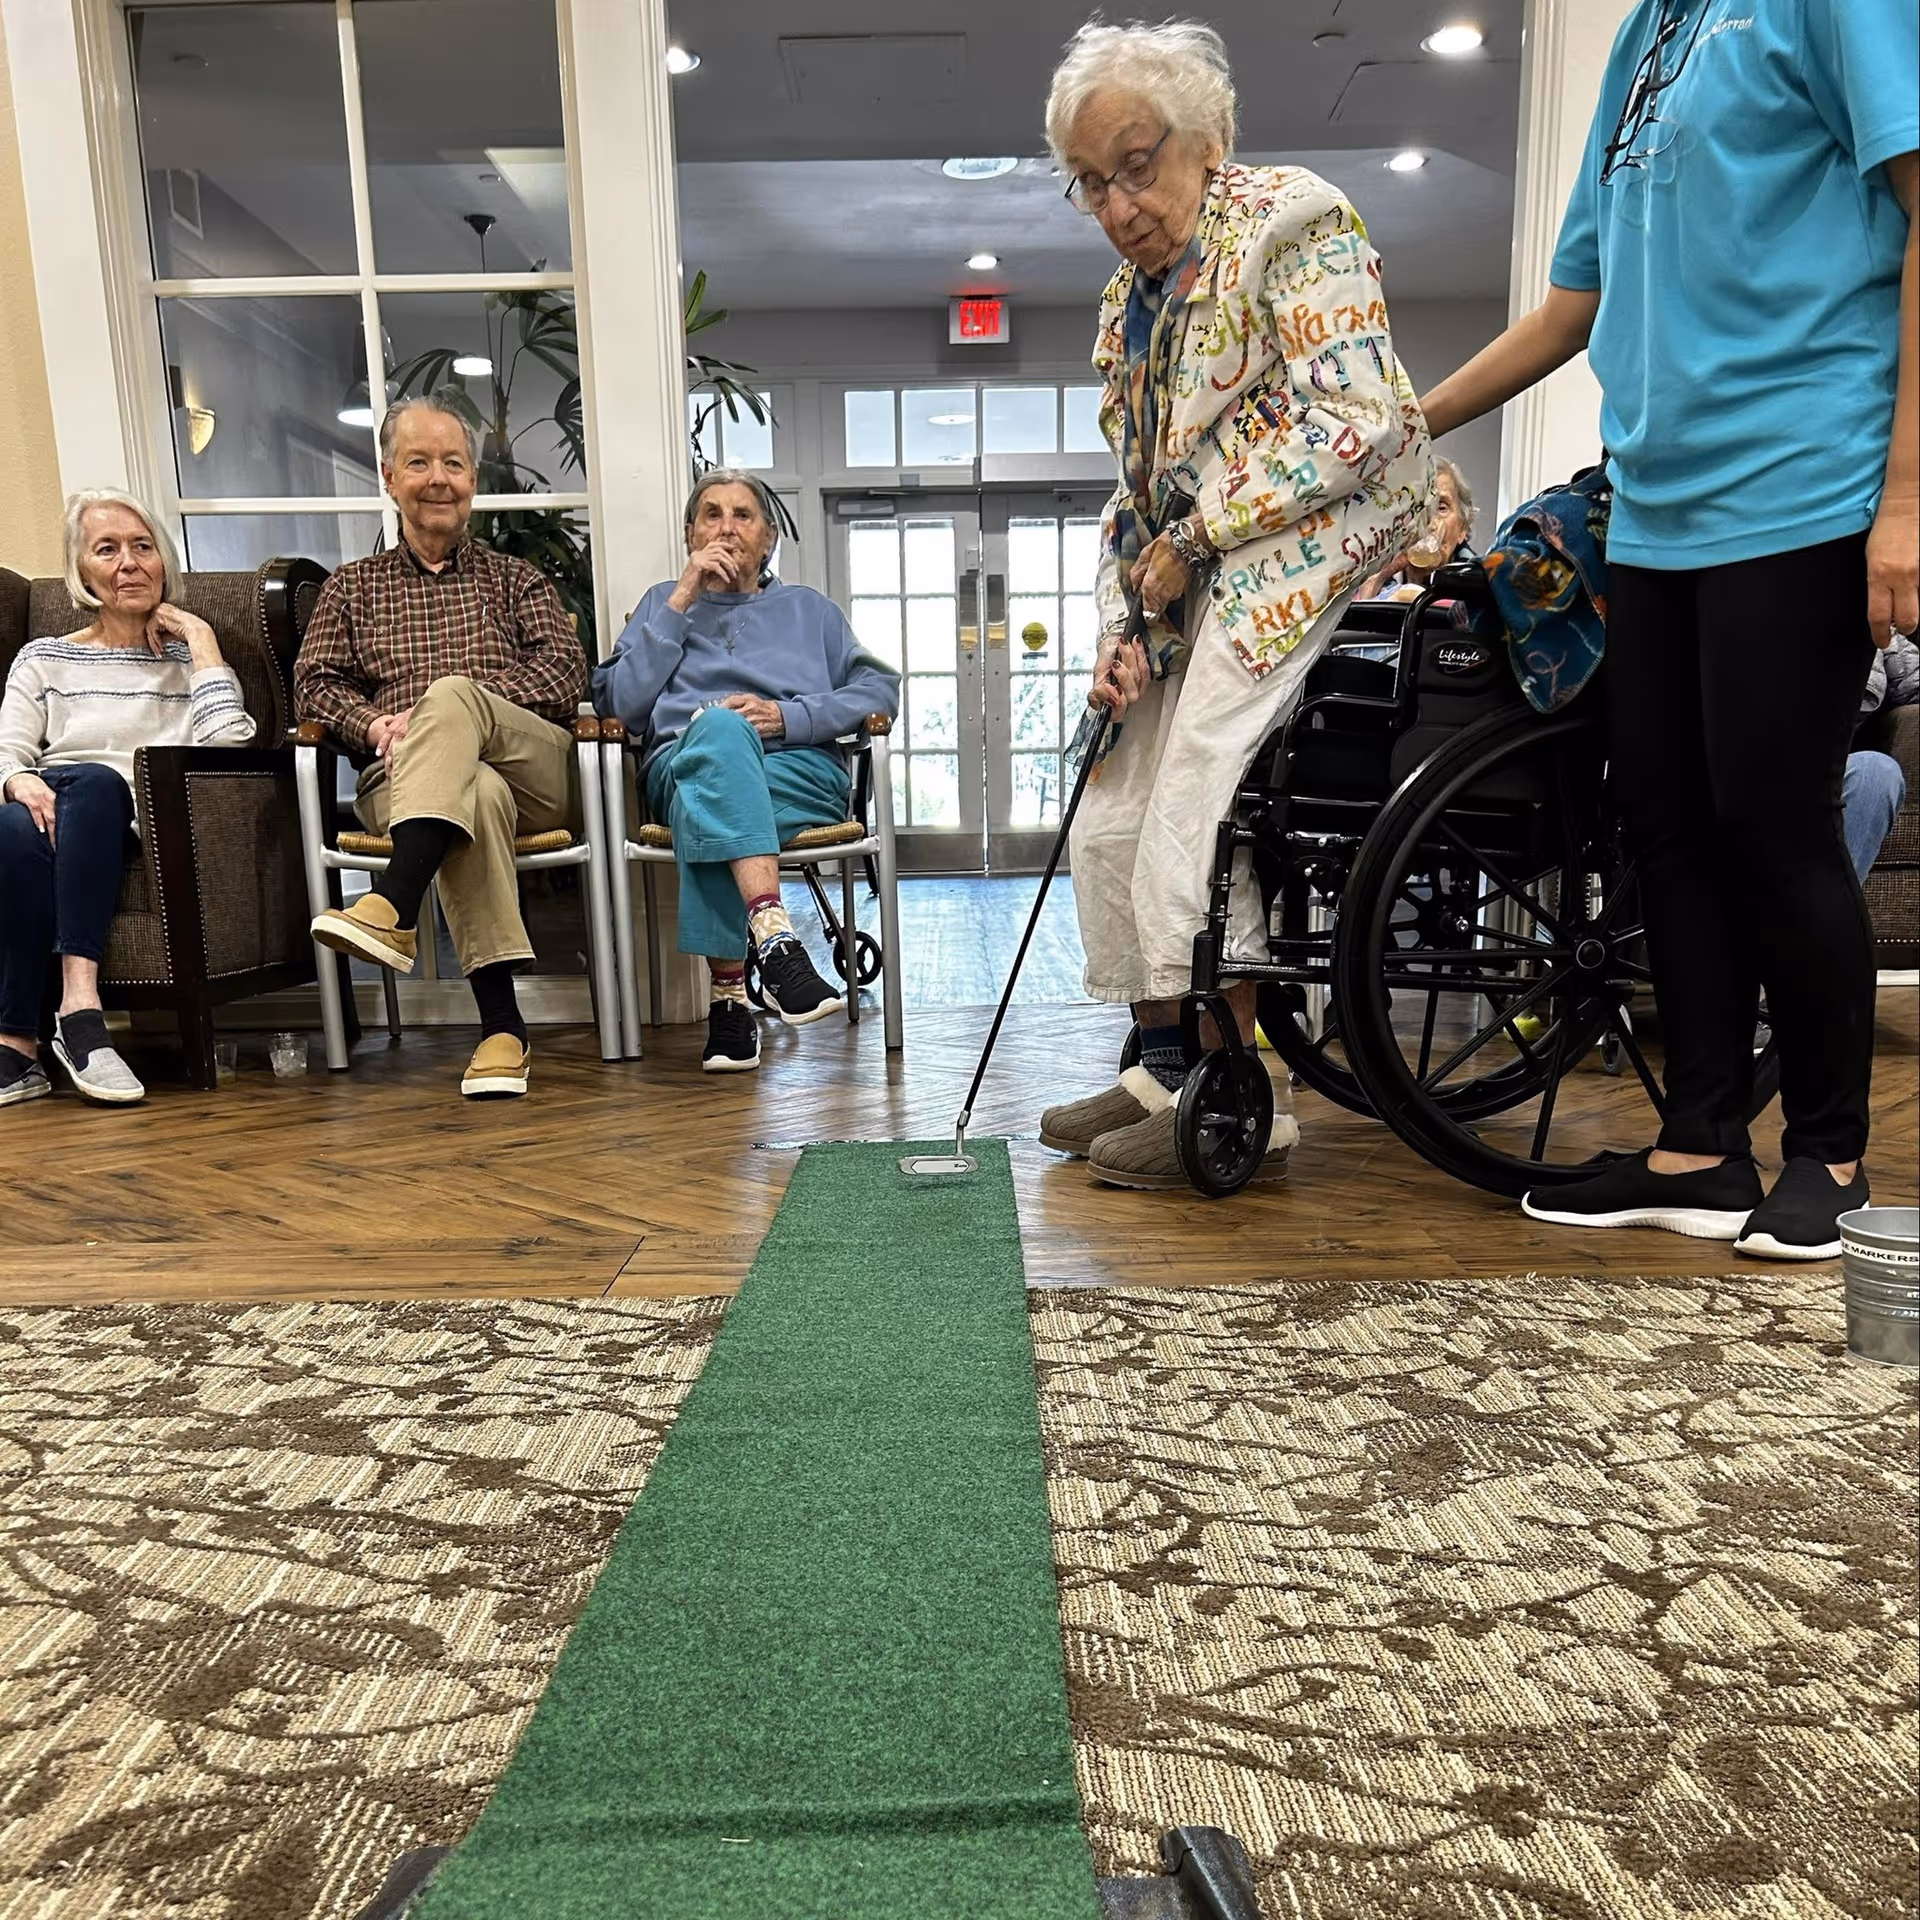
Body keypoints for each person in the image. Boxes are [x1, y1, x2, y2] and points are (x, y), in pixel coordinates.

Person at [1419, 0, 1916, 1260]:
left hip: (1805, 478)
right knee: (1668, 826)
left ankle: (1832, 1155)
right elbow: (1570, 309)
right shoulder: (1649, 35)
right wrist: (1402, 429)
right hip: (1651, 507)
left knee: (1773, 817)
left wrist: (1908, 493)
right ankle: (1698, 1150)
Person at [1033, 18, 1432, 1190]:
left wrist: (1194, 540)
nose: (1118, 203)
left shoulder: (1294, 223)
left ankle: (1247, 1083)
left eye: (1137, 164)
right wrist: (1126, 627)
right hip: (1195, 566)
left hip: (1317, 541)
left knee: (1197, 791)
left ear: (1207, 138)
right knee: (1112, 787)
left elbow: (1354, 418)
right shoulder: (1128, 304)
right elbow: (1139, 493)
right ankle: (1163, 1065)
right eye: (1091, 184)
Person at [295, 397, 588, 1099]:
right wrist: (371, 725)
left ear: (472, 482)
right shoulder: (352, 588)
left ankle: (391, 902)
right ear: (390, 477)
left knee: (453, 700)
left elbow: (562, 672)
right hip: (401, 776)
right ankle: (502, 1030)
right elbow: (313, 687)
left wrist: (450, 711)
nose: (438, 479)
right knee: (471, 792)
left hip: (530, 771)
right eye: (420, 463)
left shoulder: (517, 579)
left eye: (453, 464)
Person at [598, 470, 900, 1073]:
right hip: (684, 764)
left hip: (796, 772)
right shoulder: (663, 604)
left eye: (743, 516)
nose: (727, 528)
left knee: (706, 800)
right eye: (711, 515)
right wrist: (683, 596)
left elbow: (880, 691)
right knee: (716, 732)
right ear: (690, 534)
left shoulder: (811, 610)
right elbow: (621, 707)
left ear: (768, 539)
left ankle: (731, 999)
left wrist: (787, 716)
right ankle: (776, 937)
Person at [0, 489, 256, 1107]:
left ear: (164, 561)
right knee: (14, 826)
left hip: (134, 817)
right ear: (81, 571)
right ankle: (26, 1044)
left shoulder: (192, 663)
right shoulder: (43, 658)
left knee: (99, 784)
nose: (129, 563)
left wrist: (200, 642)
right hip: (46, 808)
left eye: (143, 547)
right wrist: (17, 779)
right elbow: (6, 747)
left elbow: (230, 753)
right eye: (107, 550)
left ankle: (73, 1013)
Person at [1359, 456, 1478, 599]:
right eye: (1416, 508)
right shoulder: (1366, 577)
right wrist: (1378, 579)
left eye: (1441, 508)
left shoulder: (1479, 590)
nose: (1429, 522)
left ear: (1462, 529)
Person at [1848, 634, 1917, 880]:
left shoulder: (1871, 627)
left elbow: (1914, 683)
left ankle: (1819, 915)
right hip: (1740, 767)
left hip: (1829, 770)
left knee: (1875, 772)